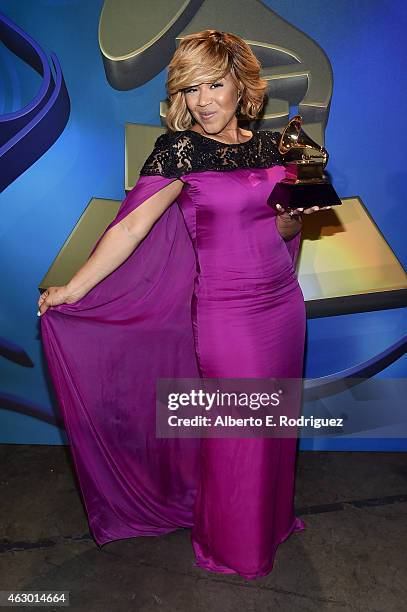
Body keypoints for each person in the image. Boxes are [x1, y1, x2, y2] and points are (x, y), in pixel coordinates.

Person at [38, 30, 331, 580]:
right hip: (229, 316)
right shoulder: (180, 151)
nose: (204, 100)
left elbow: (285, 226)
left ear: (242, 86)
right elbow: (129, 228)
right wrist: (73, 289)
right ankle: (234, 545)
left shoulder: (274, 147)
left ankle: (271, 520)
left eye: (215, 84)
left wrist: (300, 212)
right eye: (192, 89)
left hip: (283, 309)